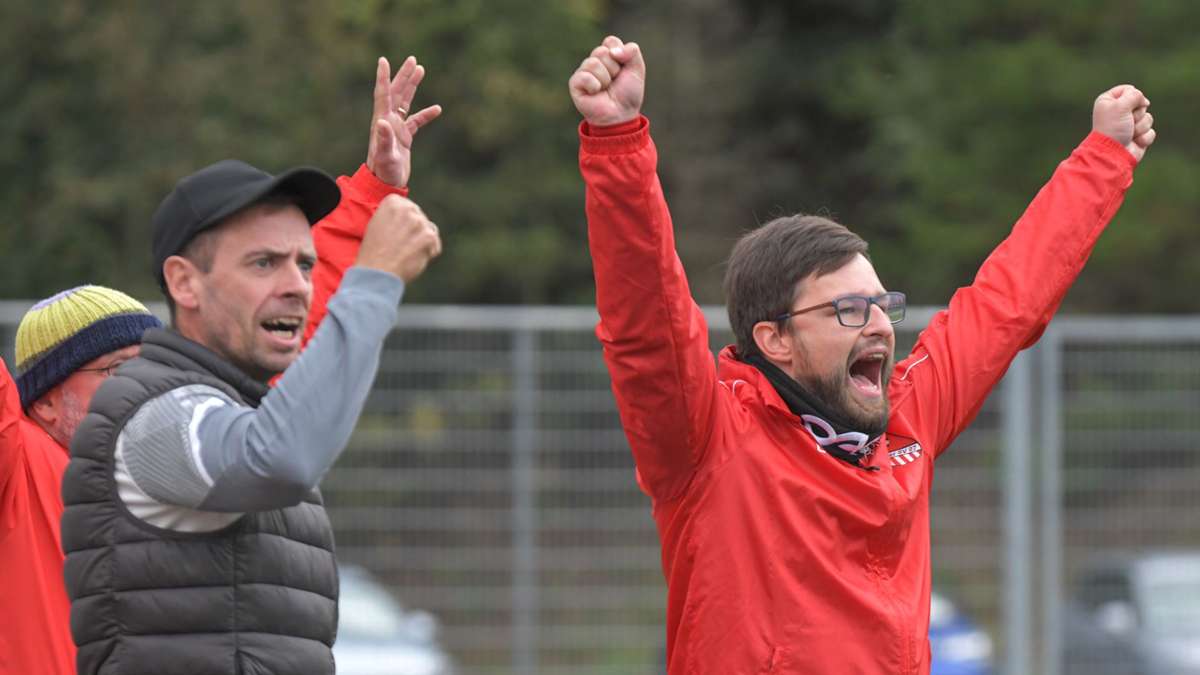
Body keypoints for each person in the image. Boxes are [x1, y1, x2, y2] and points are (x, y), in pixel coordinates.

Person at [569, 35, 1156, 674]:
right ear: (775, 340)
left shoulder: (909, 415)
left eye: (882, 303)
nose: (878, 324)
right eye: (848, 310)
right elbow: (646, 326)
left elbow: (1007, 303)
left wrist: (1105, 158)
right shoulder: (708, 442)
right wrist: (619, 142)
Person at [60, 56, 442, 675]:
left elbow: (310, 341)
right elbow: (280, 456)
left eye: (306, 265)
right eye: (263, 263)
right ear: (184, 284)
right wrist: (374, 281)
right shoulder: (156, 417)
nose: (297, 286)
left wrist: (373, 190)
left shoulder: (238, 398)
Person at [1, 287, 161, 675]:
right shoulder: (18, 462)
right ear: (45, 403)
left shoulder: (179, 475)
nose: (149, 387)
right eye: (120, 369)